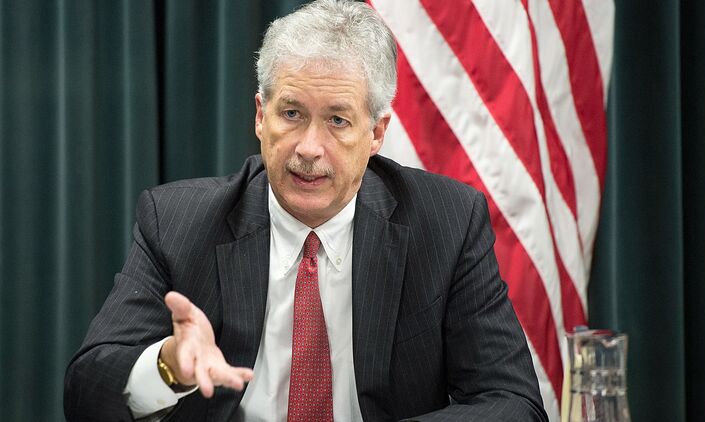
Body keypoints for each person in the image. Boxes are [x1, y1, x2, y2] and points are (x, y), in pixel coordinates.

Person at [63, 1, 547, 420]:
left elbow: (512, 403)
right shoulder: (178, 222)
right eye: (292, 114)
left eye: (337, 120)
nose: (309, 148)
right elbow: (85, 393)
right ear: (261, 115)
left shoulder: (445, 223)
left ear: (377, 133)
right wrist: (167, 367)